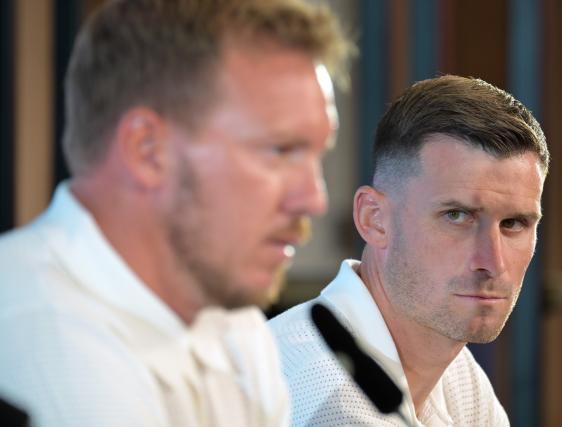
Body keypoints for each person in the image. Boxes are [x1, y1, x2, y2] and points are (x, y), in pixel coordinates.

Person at [0, 0, 352, 425]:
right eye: (280, 151)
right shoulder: (40, 334)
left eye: (318, 154)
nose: (314, 198)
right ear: (147, 151)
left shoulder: (231, 322)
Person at [270, 75, 550, 426]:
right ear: (374, 220)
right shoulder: (331, 401)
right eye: (457, 216)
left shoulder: (456, 375)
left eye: (514, 224)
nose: (492, 263)